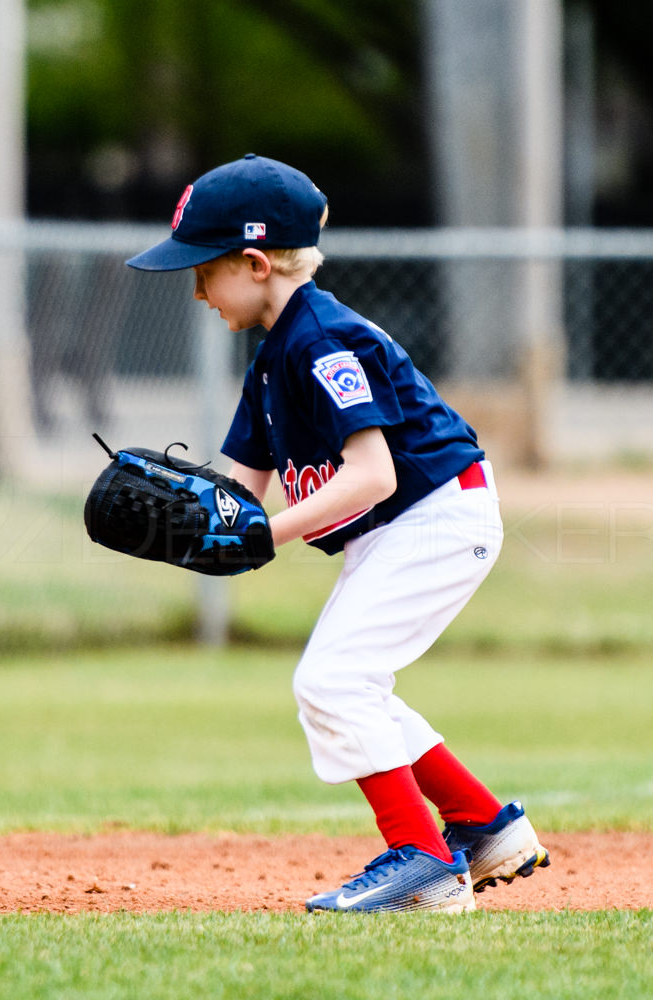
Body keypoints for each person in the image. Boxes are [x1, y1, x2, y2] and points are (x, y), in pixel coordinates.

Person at [127, 153, 550, 913]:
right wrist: (186, 524)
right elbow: (237, 494)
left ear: (256, 263)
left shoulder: (318, 340)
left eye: (204, 269)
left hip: (435, 517)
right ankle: (485, 827)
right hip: (409, 525)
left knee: (331, 681)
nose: (195, 289)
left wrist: (264, 537)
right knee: (352, 684)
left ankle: (422, 861)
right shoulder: (271, 359)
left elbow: (372, 475)